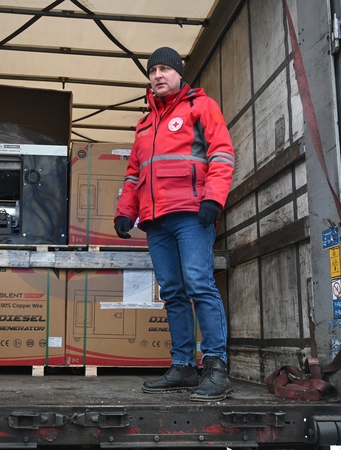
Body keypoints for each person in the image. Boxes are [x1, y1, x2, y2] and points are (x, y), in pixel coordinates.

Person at [114, 47, 235, 402]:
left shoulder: (201, 107)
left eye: (164, 69)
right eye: (152, 71)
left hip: (191, 214)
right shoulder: (144, 125)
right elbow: (134, 175)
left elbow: (222, 153)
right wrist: (125, 211)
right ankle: (183, 366)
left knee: (199, 283)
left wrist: (214, 198)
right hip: (156, 221)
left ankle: (216, 367)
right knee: (172, 292)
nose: (157, 76)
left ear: (179, 74)